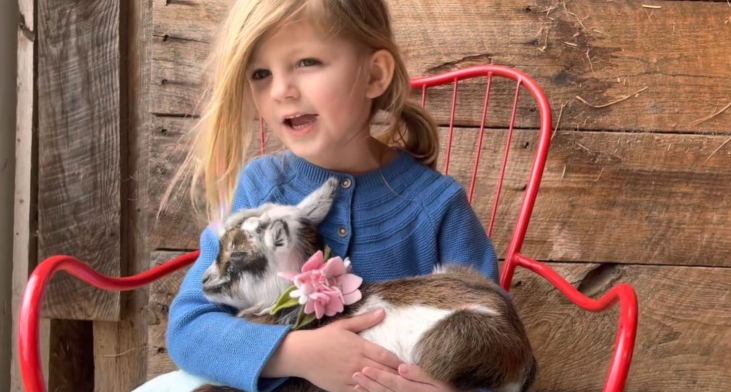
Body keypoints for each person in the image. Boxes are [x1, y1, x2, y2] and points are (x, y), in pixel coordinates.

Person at [139, 1, 500, 391]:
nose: (281, 90)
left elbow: (495, 343)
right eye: (261, 73)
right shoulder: (259, 189)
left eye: (307, 62)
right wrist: (298, 353)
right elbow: (190, 329)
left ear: (374, 75)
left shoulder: (436, 205)